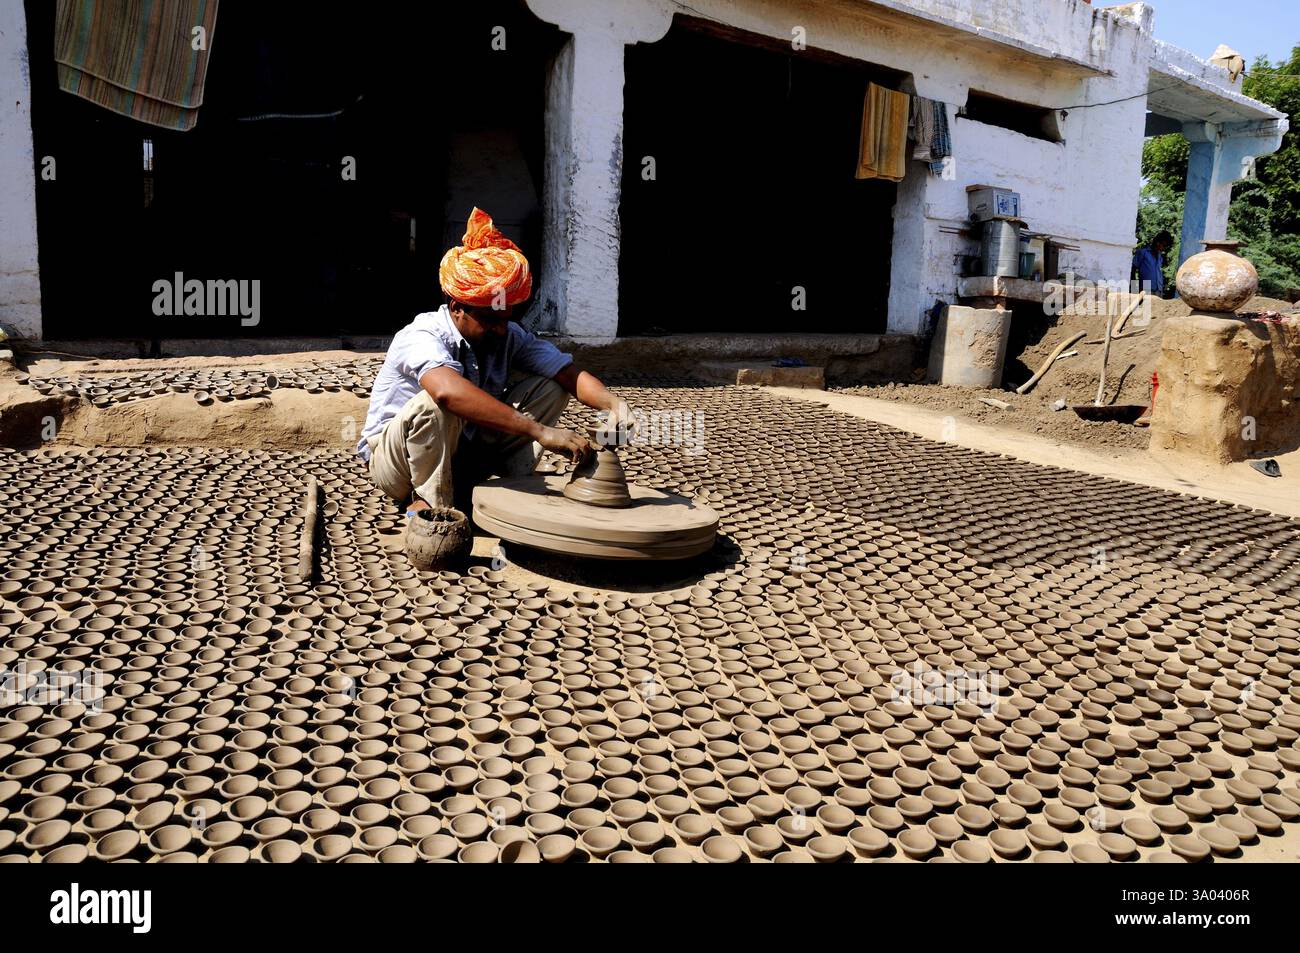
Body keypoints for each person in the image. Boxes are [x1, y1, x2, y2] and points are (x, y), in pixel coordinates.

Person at [358, 207, 631, 528]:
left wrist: (613, 404)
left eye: (506, 320)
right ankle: (429, 502)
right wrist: (539, 431)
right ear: (458, 308)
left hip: (462, 451)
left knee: (551, 387)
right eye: (489, 320)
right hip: (396, 463)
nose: (501, 330)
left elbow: (568, 375)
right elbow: (447, 393)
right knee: (434, 404)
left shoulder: (506, 335)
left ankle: (508, 483)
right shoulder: (422, 334)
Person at [1132, 231, 1172, 298]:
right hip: (1146, 288)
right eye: (1164, 245)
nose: (1164, 248)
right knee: (1146, 308)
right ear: (1158, 243)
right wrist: (1134, 289)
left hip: (1158, 290)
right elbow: (1133, 269)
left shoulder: (1159, 256)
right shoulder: (1143, 253)